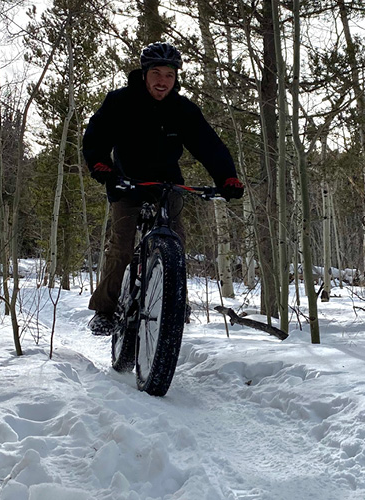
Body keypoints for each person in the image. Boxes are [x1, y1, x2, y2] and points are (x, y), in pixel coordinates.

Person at [82, 42, 244, 335]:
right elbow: (96, 136)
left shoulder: (182, 110)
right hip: (126, 182)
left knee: (176, 240)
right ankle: (104, 310)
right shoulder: (120, 102)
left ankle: (173, 300)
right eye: (156, 73)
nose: (162, 81)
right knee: (121, 246)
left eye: (169, 75)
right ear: (144, 74)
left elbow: (209, 145)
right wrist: (100, 165)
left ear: (175, 78)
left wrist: (227, 177)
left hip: (167, 185)